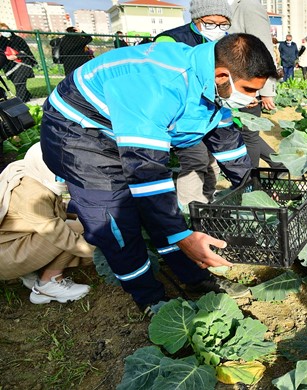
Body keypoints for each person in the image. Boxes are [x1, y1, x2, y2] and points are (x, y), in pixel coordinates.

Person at [40, 33, 279, 313]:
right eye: (249, 90)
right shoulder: (160, 86)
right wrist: (181, 235)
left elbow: (227, 143)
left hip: (129, 129)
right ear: (222, 75)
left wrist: (253, 187)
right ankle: (149, 298)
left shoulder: (214, 85)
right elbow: (146, 172)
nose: (253, 99)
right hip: (80, 135)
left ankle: (194, 277)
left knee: (162, 214)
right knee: (116, 224)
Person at [155, 0, 236, 207]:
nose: (217, 29)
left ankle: (207, 204)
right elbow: (163, 82)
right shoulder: (170, 40)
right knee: (196, 161)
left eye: (223, 24)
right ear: (197, 18)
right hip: (181, 118)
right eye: (210, 23)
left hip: (210, 116)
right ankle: (191, 214)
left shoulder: (227, 43)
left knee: (212, 164)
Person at [0, 143, 93, 304]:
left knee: (80, 223)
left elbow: (62, 207)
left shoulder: (36, 173)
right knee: (79, 229)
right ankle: (48, 284)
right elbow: (59, 234)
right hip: (6, 255)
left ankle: (31, 271)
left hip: (12, 243)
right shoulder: (34, 195)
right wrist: (99, 251)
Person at [225, 0, 285, 170]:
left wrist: (265, 90)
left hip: (247, 86)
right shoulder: (222, 7)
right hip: (225, 85)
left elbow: (263, 48)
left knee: (248, 134)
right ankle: (279, 165)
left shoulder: (249, 6)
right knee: (242, 131)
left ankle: (250, 183)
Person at [0, 23, 37, 102]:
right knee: (18, 83)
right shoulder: (2, 41)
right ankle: (27, 96)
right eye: (2, 30)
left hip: (22, 63)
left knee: (19, 82)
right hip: (9, 66)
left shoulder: (17, 39)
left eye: (6, 30)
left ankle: (21, 101)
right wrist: (6, 58)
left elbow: (25, 51)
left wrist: (17, 56)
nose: (5, 32)